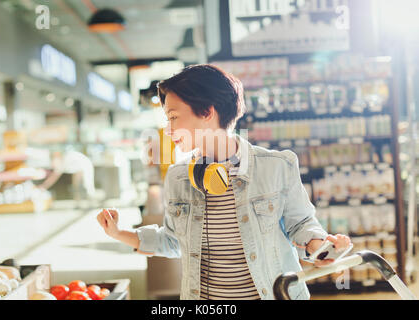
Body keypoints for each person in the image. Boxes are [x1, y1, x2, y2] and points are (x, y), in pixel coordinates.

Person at [97, 64, 351, 300]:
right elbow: (174, 242)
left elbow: (302, 224)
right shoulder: (178, 176)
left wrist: (320, 247)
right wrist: (119, 233)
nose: (169, 129)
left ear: (207, 111)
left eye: (173, 117)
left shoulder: (277, 165)